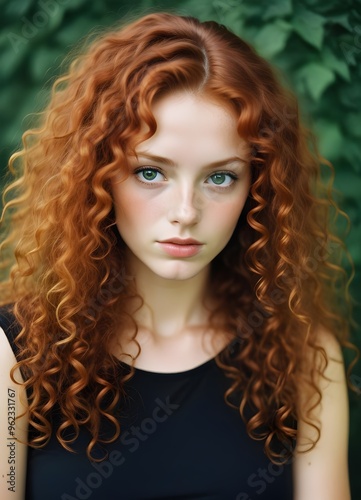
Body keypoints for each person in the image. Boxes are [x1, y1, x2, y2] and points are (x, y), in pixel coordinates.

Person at [0, 12, 353, 500]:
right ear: (96, 178)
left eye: (220, 177)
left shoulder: (305, 358)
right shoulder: (15, 355)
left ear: (259, 190)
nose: (186, 212)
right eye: (150, 173)